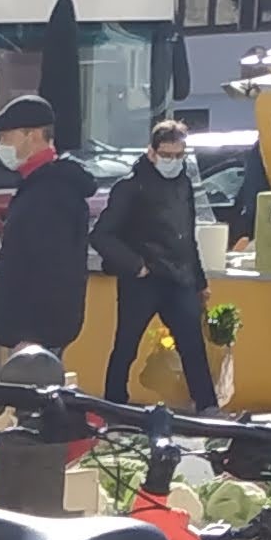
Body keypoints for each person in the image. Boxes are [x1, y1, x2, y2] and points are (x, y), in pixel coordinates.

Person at [92, 117, 217, 408]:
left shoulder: (183, 185)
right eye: (167, 155)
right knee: (126, 346)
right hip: (143, 281)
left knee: (193, 347)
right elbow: (101, 235)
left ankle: (208, 406)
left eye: (178, 155)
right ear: (152, 152)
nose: (173, 161)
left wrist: (199, 282)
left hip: (179, 279)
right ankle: (114, 405)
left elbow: (188, 237)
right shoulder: (130, 187)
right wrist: (136, 265)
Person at [0, 98, 95, 361]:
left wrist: (30, 335)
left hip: (38, 335)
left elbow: (52, 270)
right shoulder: (41, 186)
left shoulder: (51, 192)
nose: (2, 145)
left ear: (32, 135)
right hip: (37, 333)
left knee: (34, 398)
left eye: (6, 136)